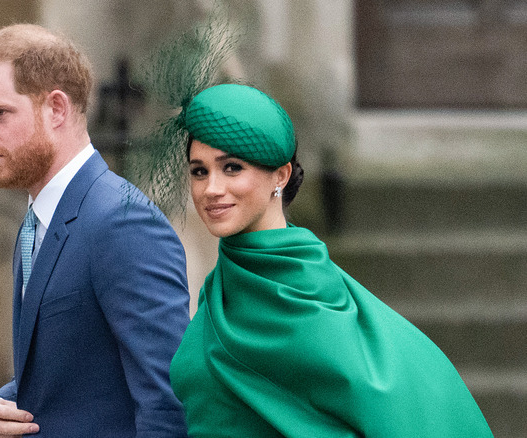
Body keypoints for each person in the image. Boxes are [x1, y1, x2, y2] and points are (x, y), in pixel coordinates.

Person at [161, 83, 494, 437]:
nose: (211, 188)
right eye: (199, 171)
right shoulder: (219, 291)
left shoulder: (305, 292)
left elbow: (399, 402)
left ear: (281, 175)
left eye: (231, 167)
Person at [0, 24, 190, 437]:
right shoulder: (39, 219)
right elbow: (74, 374)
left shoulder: (122, 222)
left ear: (57, 109)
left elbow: (168, 403)